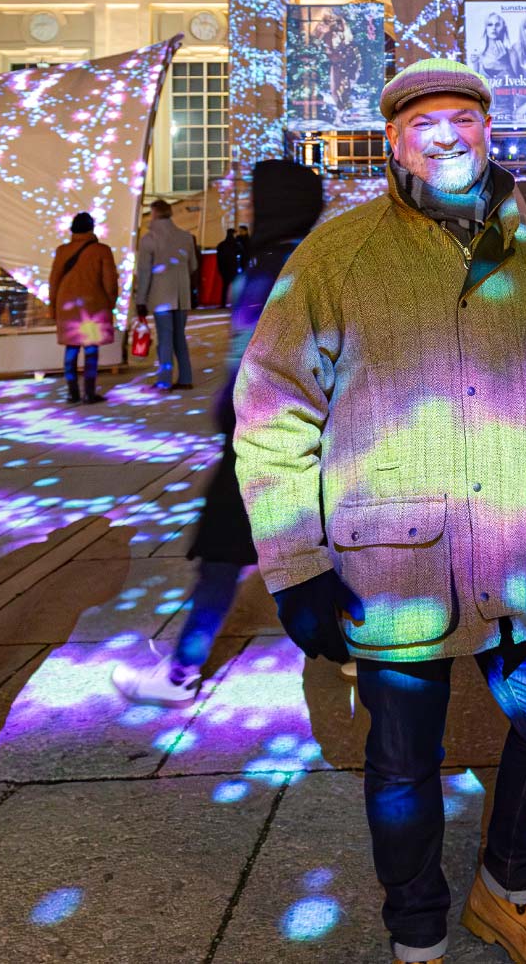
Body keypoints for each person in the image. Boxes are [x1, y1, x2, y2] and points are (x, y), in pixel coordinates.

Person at [235, 58, 526, 964]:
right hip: (392, 558)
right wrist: (296, 562)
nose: (443, 137)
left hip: (522, 549)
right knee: (401, 765)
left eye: (461, 119)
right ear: (393, 142)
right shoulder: (338, 253)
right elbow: (274, 410)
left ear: (488, 128)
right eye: (421, 123)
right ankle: (417, 929)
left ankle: (506, 882)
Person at [113, 160, 324, 705]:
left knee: (222, 560)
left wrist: (229, 421)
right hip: (313, 438)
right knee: (310, 550)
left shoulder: (270, 268)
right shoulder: (320, 261)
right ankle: (351, 651)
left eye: (258, 202)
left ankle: (182, 671)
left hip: (257, 440)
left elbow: (249, 361)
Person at [49, 212, 119, 404]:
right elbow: (110, 282)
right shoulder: (102, 250)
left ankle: (72, 392)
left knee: (71, 349)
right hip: (93, 305)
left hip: (67, 305)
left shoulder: (62, 250)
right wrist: (111, 302)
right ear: (91, 228)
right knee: (90, 349)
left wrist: (53, 307)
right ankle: (89, 392)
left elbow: (53, 281)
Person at [133, 199, 195, 390]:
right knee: (180, 338)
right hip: (182, 296)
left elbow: (144, 273)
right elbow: (193, 266)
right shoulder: (186, 237)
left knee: (165, 339)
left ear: (153, 214)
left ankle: (164, 379)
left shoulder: (149, 239)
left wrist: (140, 299)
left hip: (161, 298)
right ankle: (185, 378)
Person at [215, 225, 245, 309]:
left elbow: (218, 257)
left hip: (224, 268)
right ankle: (236, 303)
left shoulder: (221, 244)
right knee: (235, 286)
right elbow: (242, 253)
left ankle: (223, 304)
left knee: (225, 286)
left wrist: (220, 268)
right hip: (233, 267)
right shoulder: (236, 244)